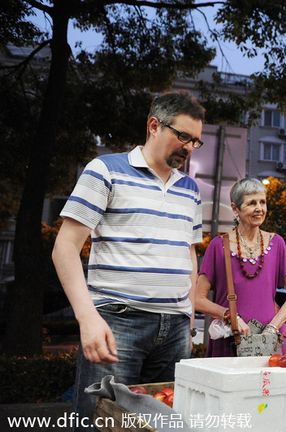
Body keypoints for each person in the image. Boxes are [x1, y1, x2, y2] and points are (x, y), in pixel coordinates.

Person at [52, 92, 205, 428]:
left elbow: (188, 252)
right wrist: (87, 317)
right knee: (102, 422)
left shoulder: (191, 190)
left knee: (163, 424)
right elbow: (65, 247)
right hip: (117, 323)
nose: (190, 148)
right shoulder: (105, 169)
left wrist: (189, 312)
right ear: (154, 125)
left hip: (175, 329)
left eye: (196, 141)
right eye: (183, 136)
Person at [196, 177, 286, 356]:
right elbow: (198, 299)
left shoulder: (277, 243)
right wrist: (231, 317)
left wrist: (272, 328)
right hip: (230, 341)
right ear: (235, 209)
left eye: (263, 202)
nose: (260, 208)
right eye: (252, 203)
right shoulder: (219, 245)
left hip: (270, 342)